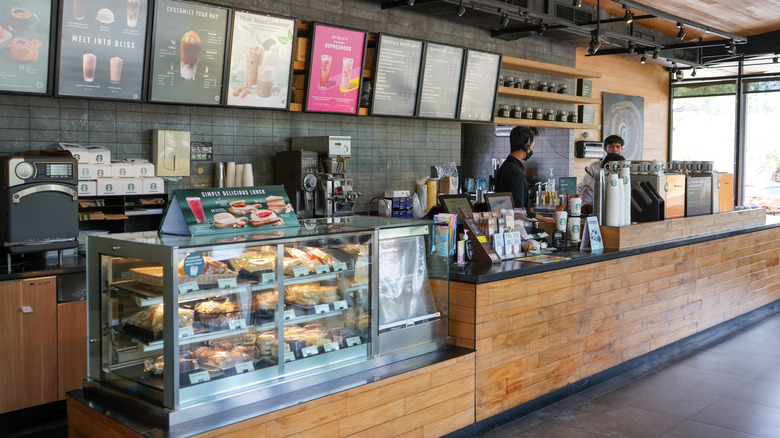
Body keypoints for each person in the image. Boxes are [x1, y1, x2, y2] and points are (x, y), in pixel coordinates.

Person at [494, 126, 553, 224]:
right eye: (532, 146)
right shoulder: (516, 174)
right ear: (526, 146)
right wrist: (547, 220)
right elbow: (519, 212)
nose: (532, 150)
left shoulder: (505, 167)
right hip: (514, 227)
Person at [577, 135, 626, 210]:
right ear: (605, 148)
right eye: (611, 146)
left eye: (617, 147)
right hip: (593, 205)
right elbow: (582, 186)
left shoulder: (625, 168)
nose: (614, 149)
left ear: (621, 149)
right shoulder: (594, 167)